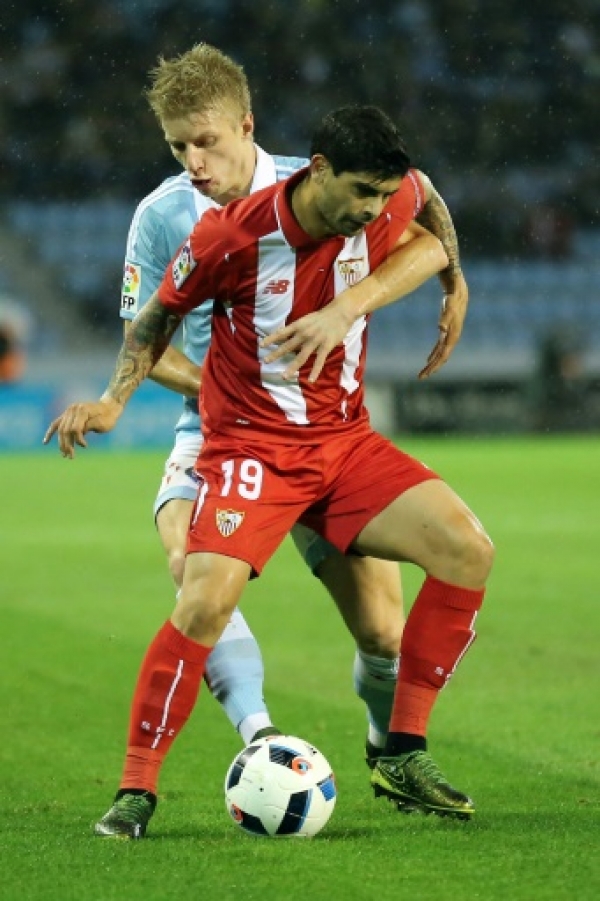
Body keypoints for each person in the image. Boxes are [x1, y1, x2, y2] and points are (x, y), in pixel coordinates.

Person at [45, 104, 493, 838]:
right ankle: (136, 787)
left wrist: (429, 289)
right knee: (202, 599)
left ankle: (403, 751)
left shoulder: (376, 201)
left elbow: (426, 211)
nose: (373, 211)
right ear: (319, 172)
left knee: (467, 549)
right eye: (361, 194)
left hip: (345, 445)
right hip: (253, 449)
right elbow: (155, 317)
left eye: (381, 197)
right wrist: (112, 400)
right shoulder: (230, 234)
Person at [114, 45, 470, 760]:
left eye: (206, 141)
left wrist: (454, 279)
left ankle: (385, 744)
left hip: (331, 438)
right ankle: (261, 738)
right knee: (196, 573)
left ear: (247, 125)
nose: (194, 161)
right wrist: (231, 389)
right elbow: (143, 337)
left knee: (381, 632)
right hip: (215, 432)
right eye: (179, 145)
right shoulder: (163, 215)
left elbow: (419, 193)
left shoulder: (325, 186)